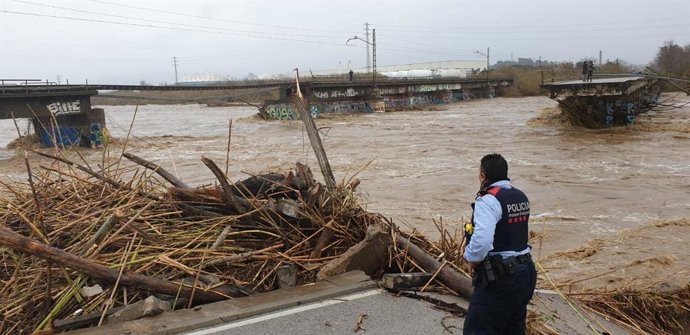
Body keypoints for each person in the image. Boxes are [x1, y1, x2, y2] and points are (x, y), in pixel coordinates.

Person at [462, 153, 537, 335]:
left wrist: (471, 259)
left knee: (478, 329)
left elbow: (482, 241)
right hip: (526, 273)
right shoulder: (520, 196)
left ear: (483, 176)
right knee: (512, 328)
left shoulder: (488, 200)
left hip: (501, 278)